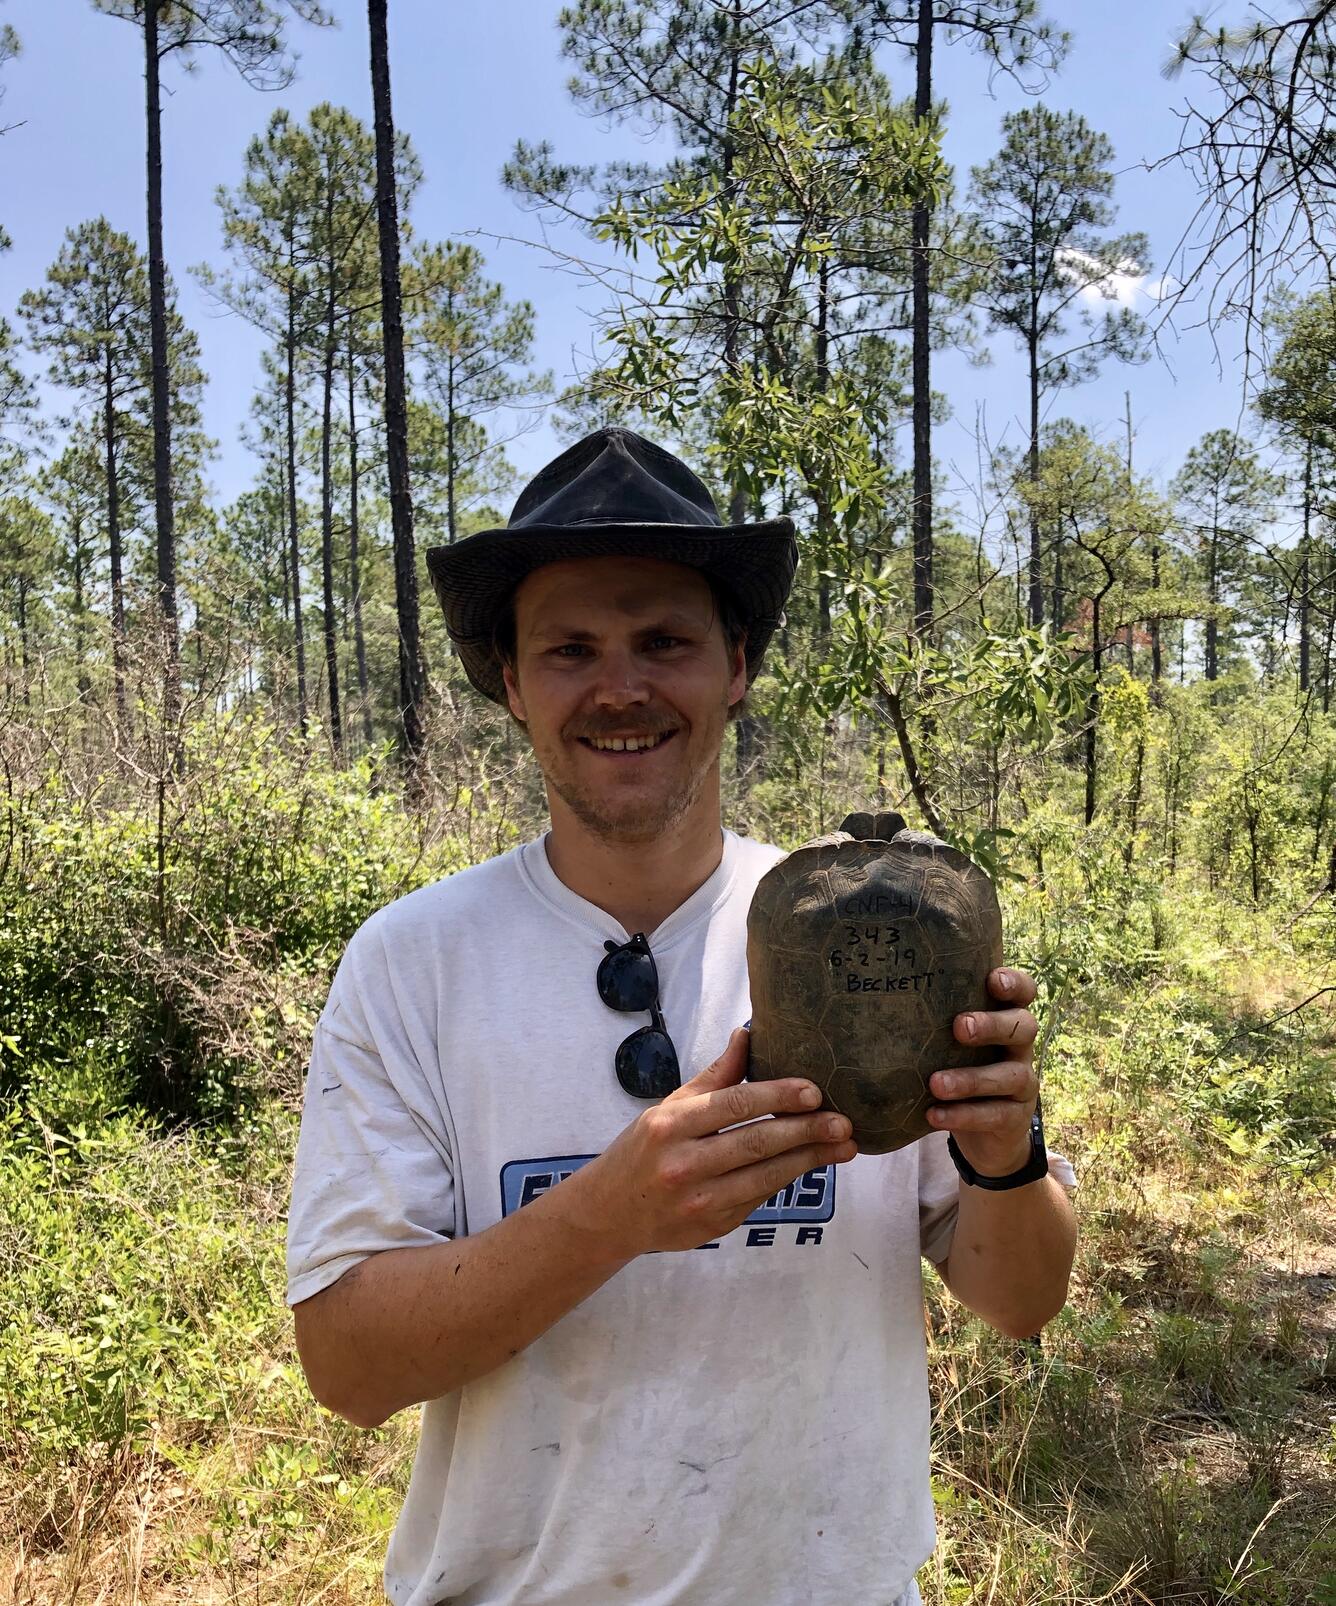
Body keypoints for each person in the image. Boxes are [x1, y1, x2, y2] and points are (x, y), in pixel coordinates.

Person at [285, 428, 1078, 1606]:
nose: (620, 687)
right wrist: (606, 1216)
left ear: (737, 665)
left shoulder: (867, 933)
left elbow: (1021, 1301)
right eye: (569, 649)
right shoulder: (415, 962)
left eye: (665, 641)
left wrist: (1004, 1153)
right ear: (509, 681)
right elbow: (348, 1366)